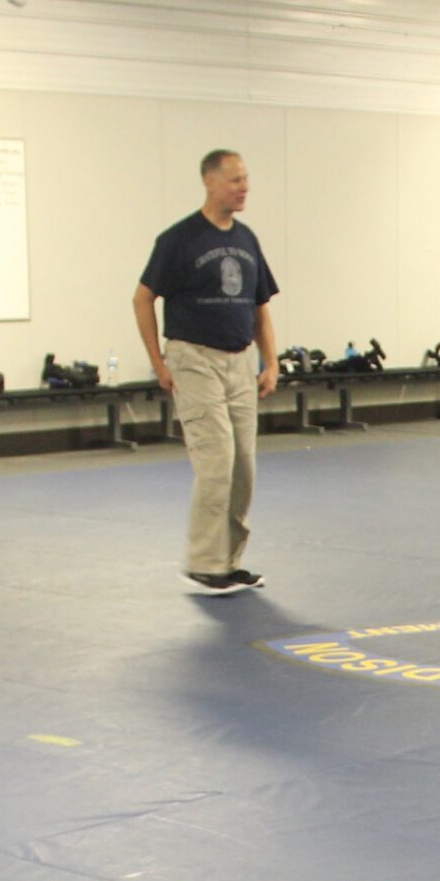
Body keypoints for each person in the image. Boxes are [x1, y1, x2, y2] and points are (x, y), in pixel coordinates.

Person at [135, 149, 281, 596]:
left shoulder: (247, 239)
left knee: (243, 468)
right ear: (210, 182)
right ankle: (203, 563)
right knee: (216, 460)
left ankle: (229, 561)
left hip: (240, 362)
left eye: (246, 179)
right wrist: (159, 362)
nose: (244, 188)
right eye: (235, 180)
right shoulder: (178, 240)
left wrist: (271, 361)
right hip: (195, 360)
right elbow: (143, 299)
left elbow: (260, 306)